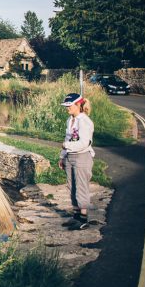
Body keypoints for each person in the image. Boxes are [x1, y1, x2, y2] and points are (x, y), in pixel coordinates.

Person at [59, 92, 95, 230]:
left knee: (81, 187)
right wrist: (62, 156)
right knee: (71, 186)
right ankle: (75, 216)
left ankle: (83, 218)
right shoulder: (70, 120)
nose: (67, 108)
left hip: (82, 157)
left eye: (69, 105)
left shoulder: (85, 121)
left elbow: (84, 143)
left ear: (78, 105)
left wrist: (66, 146)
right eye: (66, 105)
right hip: (70, 157)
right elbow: (68, 138)